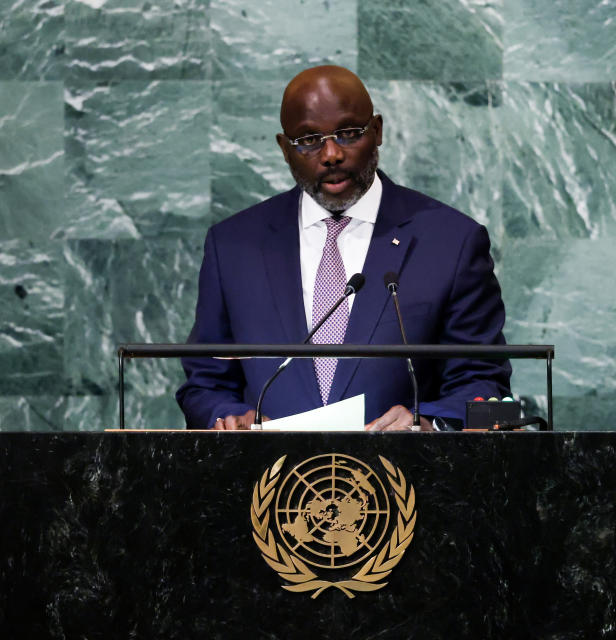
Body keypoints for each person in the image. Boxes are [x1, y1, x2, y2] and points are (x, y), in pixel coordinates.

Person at [177, 65, 510, 431]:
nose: (331, 154)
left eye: (349, 133)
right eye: (308, 140)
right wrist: (226, 418)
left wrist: (427, 423)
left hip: (405, 480)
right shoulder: (233, 246)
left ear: (378, 131)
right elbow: (205, 384)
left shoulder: (451, 241)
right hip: (270, 482)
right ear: (285, 148)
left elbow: (484, 384)